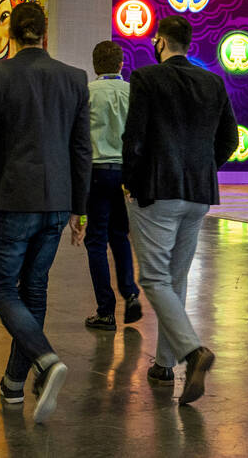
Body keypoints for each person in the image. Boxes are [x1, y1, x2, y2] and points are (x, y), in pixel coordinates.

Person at [0, 2, 91, 424]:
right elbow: (81, 150)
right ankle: (13, 384)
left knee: (1, 287)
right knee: (35, 290)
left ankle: (44, 360)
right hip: (57, 203)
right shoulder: (74, 79)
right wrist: (78, 212)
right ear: (44, 36)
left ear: (11, 37)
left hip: (13, 201)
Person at [122, 15, 239, 406]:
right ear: (188, 43)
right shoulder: (213, 82)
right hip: (198, 193)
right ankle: (164, 364)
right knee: (176, 277)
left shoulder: (147, 79)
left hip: (158, 190)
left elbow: (134, 138)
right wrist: (204, 169)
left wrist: (132, 182)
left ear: (160, 42)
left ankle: (192, 353)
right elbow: (229, 139)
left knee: (154, 279)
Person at [83, 41, 142, 332]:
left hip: (95, 170)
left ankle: (106, 311)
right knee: (119, 235)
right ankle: (130, 293)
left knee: (95, 239)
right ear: (121, 64)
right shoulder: (132, 92)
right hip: (123, 172)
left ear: (95, 65)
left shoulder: (88, 93)